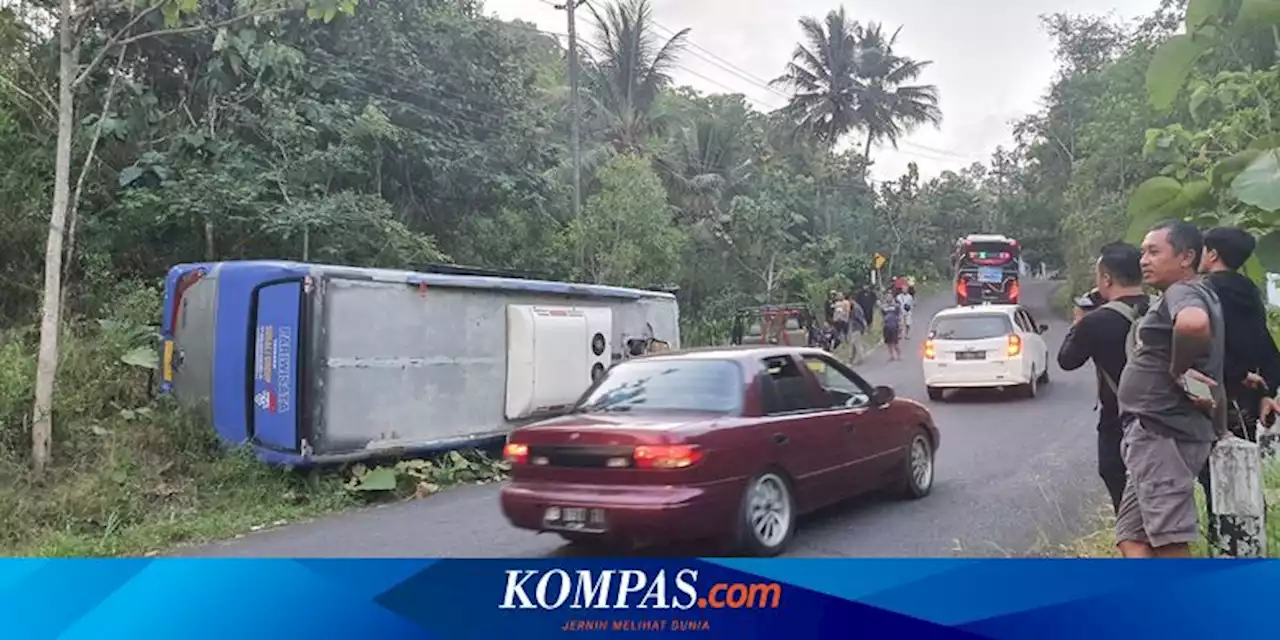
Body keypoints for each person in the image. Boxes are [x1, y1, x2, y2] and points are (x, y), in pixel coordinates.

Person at [1115, 220, 1227, 559]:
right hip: (1157, 430)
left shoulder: (1183, 291)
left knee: (1169, 540)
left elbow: (1193, 325)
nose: (1144, 260)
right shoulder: (1199, 291)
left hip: (1162, 432)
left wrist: (1178, 369)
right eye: (1142, 253)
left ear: (1186, 257)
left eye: (1154, 251)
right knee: (1132, 537)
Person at [1197, 227, 1280, 548]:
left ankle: (1225, 555)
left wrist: (1235, 374)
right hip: (1246, 401)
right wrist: (1265, 394)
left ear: (1212, 254)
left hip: (1214, 398)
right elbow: (1264, 345)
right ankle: (1249, 550)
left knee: (1214, 485)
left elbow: (1211, 346)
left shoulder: (1203, 293)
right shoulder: (1249, 291)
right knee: (1242, 481)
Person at [1056, 242, 1150, 514]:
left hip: (1118, 422)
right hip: (1165, 419)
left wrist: (1079, 322)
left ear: (1106, 279)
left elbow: (1067, 361)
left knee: (1126, 506)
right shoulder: (1161, 309)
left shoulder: (1095, 321)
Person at [880, 293, 903, 361]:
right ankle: (891, 356)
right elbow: (882, 316)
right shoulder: (883, 307)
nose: (888, 298)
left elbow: (900, 316)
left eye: (890, 297)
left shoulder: (896, 306)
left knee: (895, 343)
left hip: (894, 325)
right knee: (888, 343)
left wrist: (900, 325)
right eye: (887, 297)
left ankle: (899, 355)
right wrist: (882, 324)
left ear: (892, 298)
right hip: (887, 326)